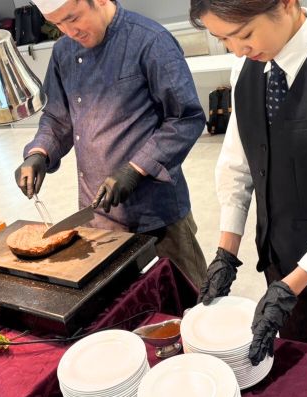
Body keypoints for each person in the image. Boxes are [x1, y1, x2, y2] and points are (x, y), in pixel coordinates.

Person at [190, 0, 307, 364]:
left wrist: (291, 287)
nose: (237, 49)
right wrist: (226, 252)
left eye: (244, 33)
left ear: (287, 3)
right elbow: (237, 165)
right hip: (279, 271)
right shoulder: (247, 68)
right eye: (224, 39)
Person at [14, 0, 209, 287]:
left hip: (157, 214)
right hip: (98, 214)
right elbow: (58, 116)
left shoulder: (150, 40)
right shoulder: (63, 52)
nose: (69, 32)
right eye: (57, 24)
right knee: (124, 300)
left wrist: (136, 168)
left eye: (73, 18)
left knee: (187, 295)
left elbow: (185, 118)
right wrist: (39, 152)